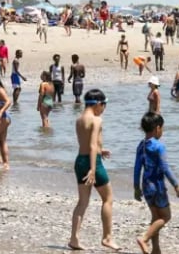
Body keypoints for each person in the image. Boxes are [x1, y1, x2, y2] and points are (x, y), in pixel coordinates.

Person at [68, 89, 119, 251]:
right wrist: (93, 168)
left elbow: (86, 143)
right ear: (98, 104)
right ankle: (107, 237)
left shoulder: (79, 119)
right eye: (104, 105)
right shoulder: (96, 120)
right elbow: (91, 144)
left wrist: (100, 150)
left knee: (82, 202)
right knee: (108, 198)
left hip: (80, 160)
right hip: (91, 162)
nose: (104, 108)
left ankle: (74, 239)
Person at [134, 112, 179, 254]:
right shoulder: (158, 146)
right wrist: (176, 185)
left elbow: (137, 168)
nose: (162, 131)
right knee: (165, 216)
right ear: (157, 128)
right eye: (162, 128)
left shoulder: (141, 146)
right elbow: (164, 167)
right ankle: (144, 238)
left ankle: (156, 249)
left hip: (146, 185)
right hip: (158, 186)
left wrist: (136, 188)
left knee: (156, 218)